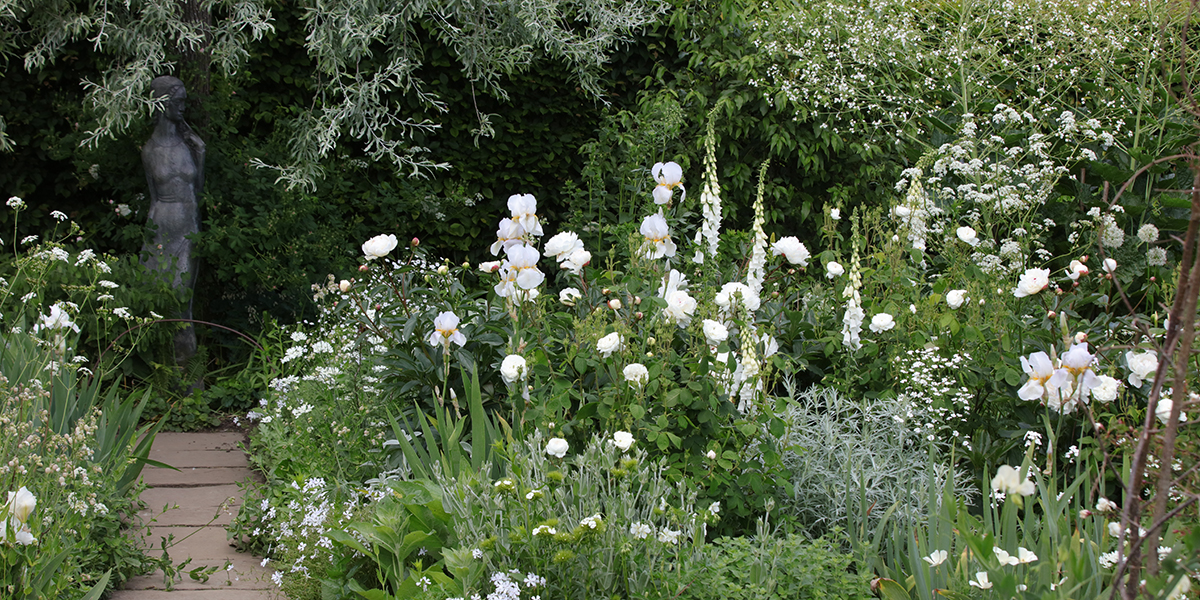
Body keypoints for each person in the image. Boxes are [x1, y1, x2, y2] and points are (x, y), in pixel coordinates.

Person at [142, 75, 203, 368]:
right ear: (162, 102)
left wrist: (201, 154)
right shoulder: (150, 150)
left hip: (189, 227)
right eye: (178, 101)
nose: (182, 107)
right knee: (165, 302)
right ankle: (168, 374)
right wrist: (149, 243)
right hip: (163, 226)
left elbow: (197, 192)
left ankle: (191, 381)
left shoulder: (189, 145)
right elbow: (154, 198)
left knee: (183, 301)